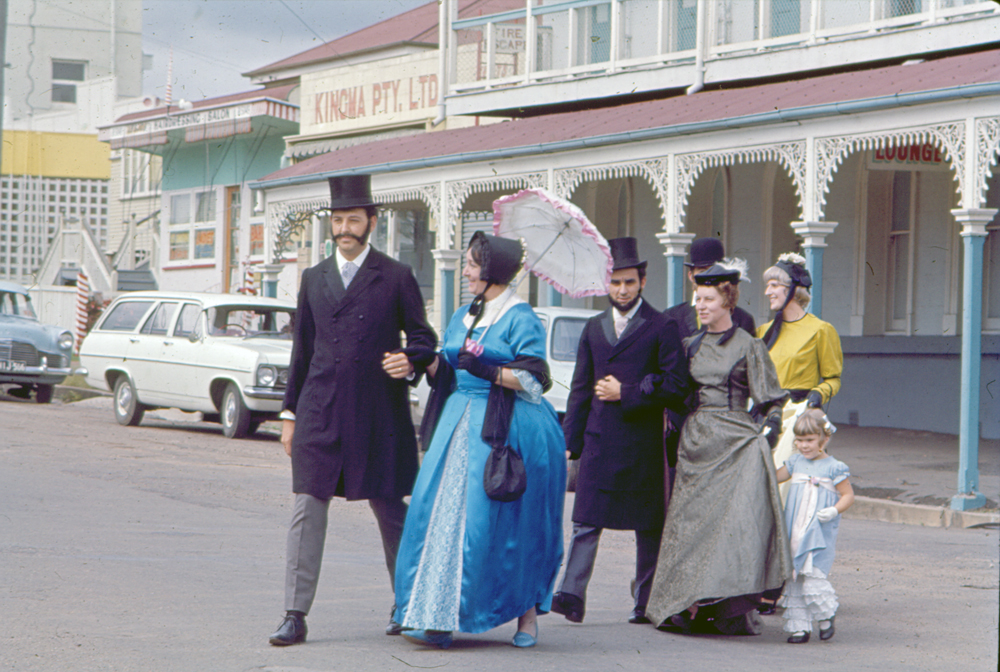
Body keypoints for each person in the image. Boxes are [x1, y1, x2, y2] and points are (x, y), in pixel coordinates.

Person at [268, 175, 437, 647]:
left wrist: (411, 360)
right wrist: (288, 416)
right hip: (319, 412)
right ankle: (294, 614)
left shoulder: (396, 276)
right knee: (306, 508)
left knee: (391, 510)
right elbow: (301, 352)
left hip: (377, 415)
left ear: (371, 223)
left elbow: (423, 338)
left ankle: (408, 603)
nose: (345, 228)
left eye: (354, 220)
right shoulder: (313, 277)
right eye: (338, 220)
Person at [393, 232, 566, 650]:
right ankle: (435, 613)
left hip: (507, 426)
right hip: (458, 420)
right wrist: (424, 361)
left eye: (472, 264)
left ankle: (526, 616)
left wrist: (488, 370)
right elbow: (448, 371)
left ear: (492, 271)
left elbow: (534, 380)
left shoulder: (521, 317)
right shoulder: (462, 314)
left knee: (504, 524)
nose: (466, 271)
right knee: (436, 515)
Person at [646, 259, 792, 636]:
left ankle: (725, 608)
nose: (700, 305)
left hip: (736, 442)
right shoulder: (689, 346)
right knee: (690, 527)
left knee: (732, 527)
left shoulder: (749, 345)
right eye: (697, 298)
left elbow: (771, 400)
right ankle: (684, 604)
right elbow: (676, 390)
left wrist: (769, 431)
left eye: (708, 299)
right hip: (697, 442)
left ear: (727, 301)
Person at [552, 237, 688, 626]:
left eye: (629, 282)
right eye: (615, 282)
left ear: (642, 281)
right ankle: (571, 595)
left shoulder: (662, 326)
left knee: (648, 526)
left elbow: (676, 387)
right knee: (586, 519)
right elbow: (580, 389)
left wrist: (625, 392)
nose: (622, 290)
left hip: (641, 444)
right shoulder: (594, 327)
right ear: (605, 284)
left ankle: (645, 602)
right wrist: (569, 443)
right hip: (598, 440)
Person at [663, 237, 756, 491]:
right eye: (702, 271)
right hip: (681, 423)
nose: (707, 277)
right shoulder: (671, 318)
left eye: (713, 272)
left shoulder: (743, 320)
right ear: (691, 276)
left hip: (724, 424)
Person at [757, 252, 844, 501]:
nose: (767, 292)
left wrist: (818, 394)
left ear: (793, 289)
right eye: (768, 285)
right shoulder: (763, 332)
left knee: (784, 490)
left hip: (797, 416)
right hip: (765, 416)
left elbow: (833, 378)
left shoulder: (820, 330)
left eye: (774, 285)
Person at [775, 409, 855, 643]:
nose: (803, 445)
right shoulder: (795, 462)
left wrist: (834, 510)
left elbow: (848, 495)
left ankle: (826, 615)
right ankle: (799, 627)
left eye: (809, 440)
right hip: (795, 528)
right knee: (794, 578)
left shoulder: (834, 467)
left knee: (813, 578)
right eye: (799, 440)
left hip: (818, 530)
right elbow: (773, 476)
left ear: (824, 438)